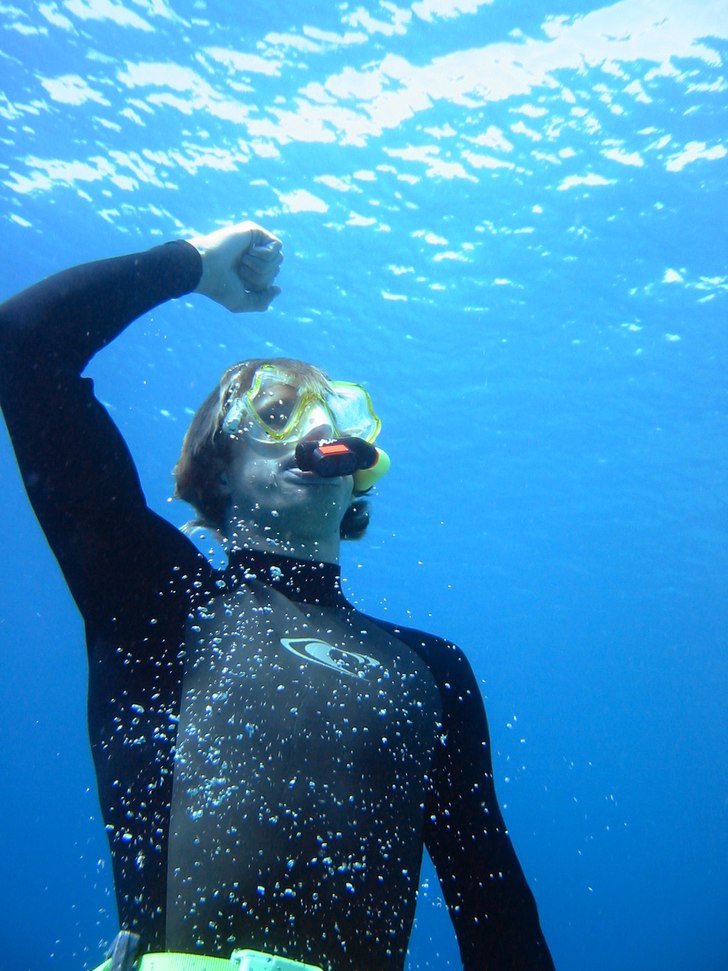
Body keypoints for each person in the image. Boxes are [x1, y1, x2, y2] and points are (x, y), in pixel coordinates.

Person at [0, 221, 555, 971]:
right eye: (277, 412)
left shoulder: (431, 669)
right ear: (219, 466)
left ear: (358, 464)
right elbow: (22, 343)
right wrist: (191, 265)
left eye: (339, 414)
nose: (320, 428)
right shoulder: (154, 597)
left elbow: (495, 913)